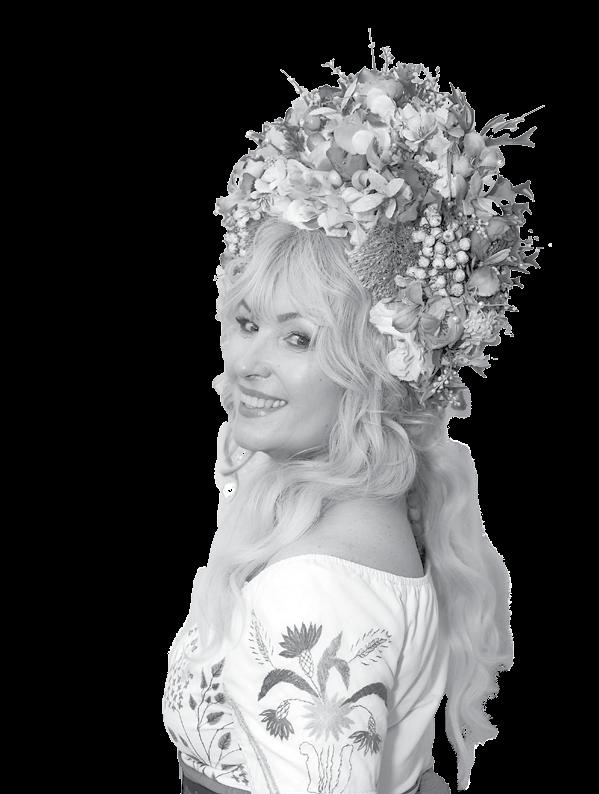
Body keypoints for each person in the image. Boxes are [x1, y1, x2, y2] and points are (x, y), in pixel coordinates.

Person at [163, 41, 542, 794]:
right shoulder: (375, 512)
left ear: (375, 366)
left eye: (298, 337)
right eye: (247, 323)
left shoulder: (315, 587)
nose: (249, 362)